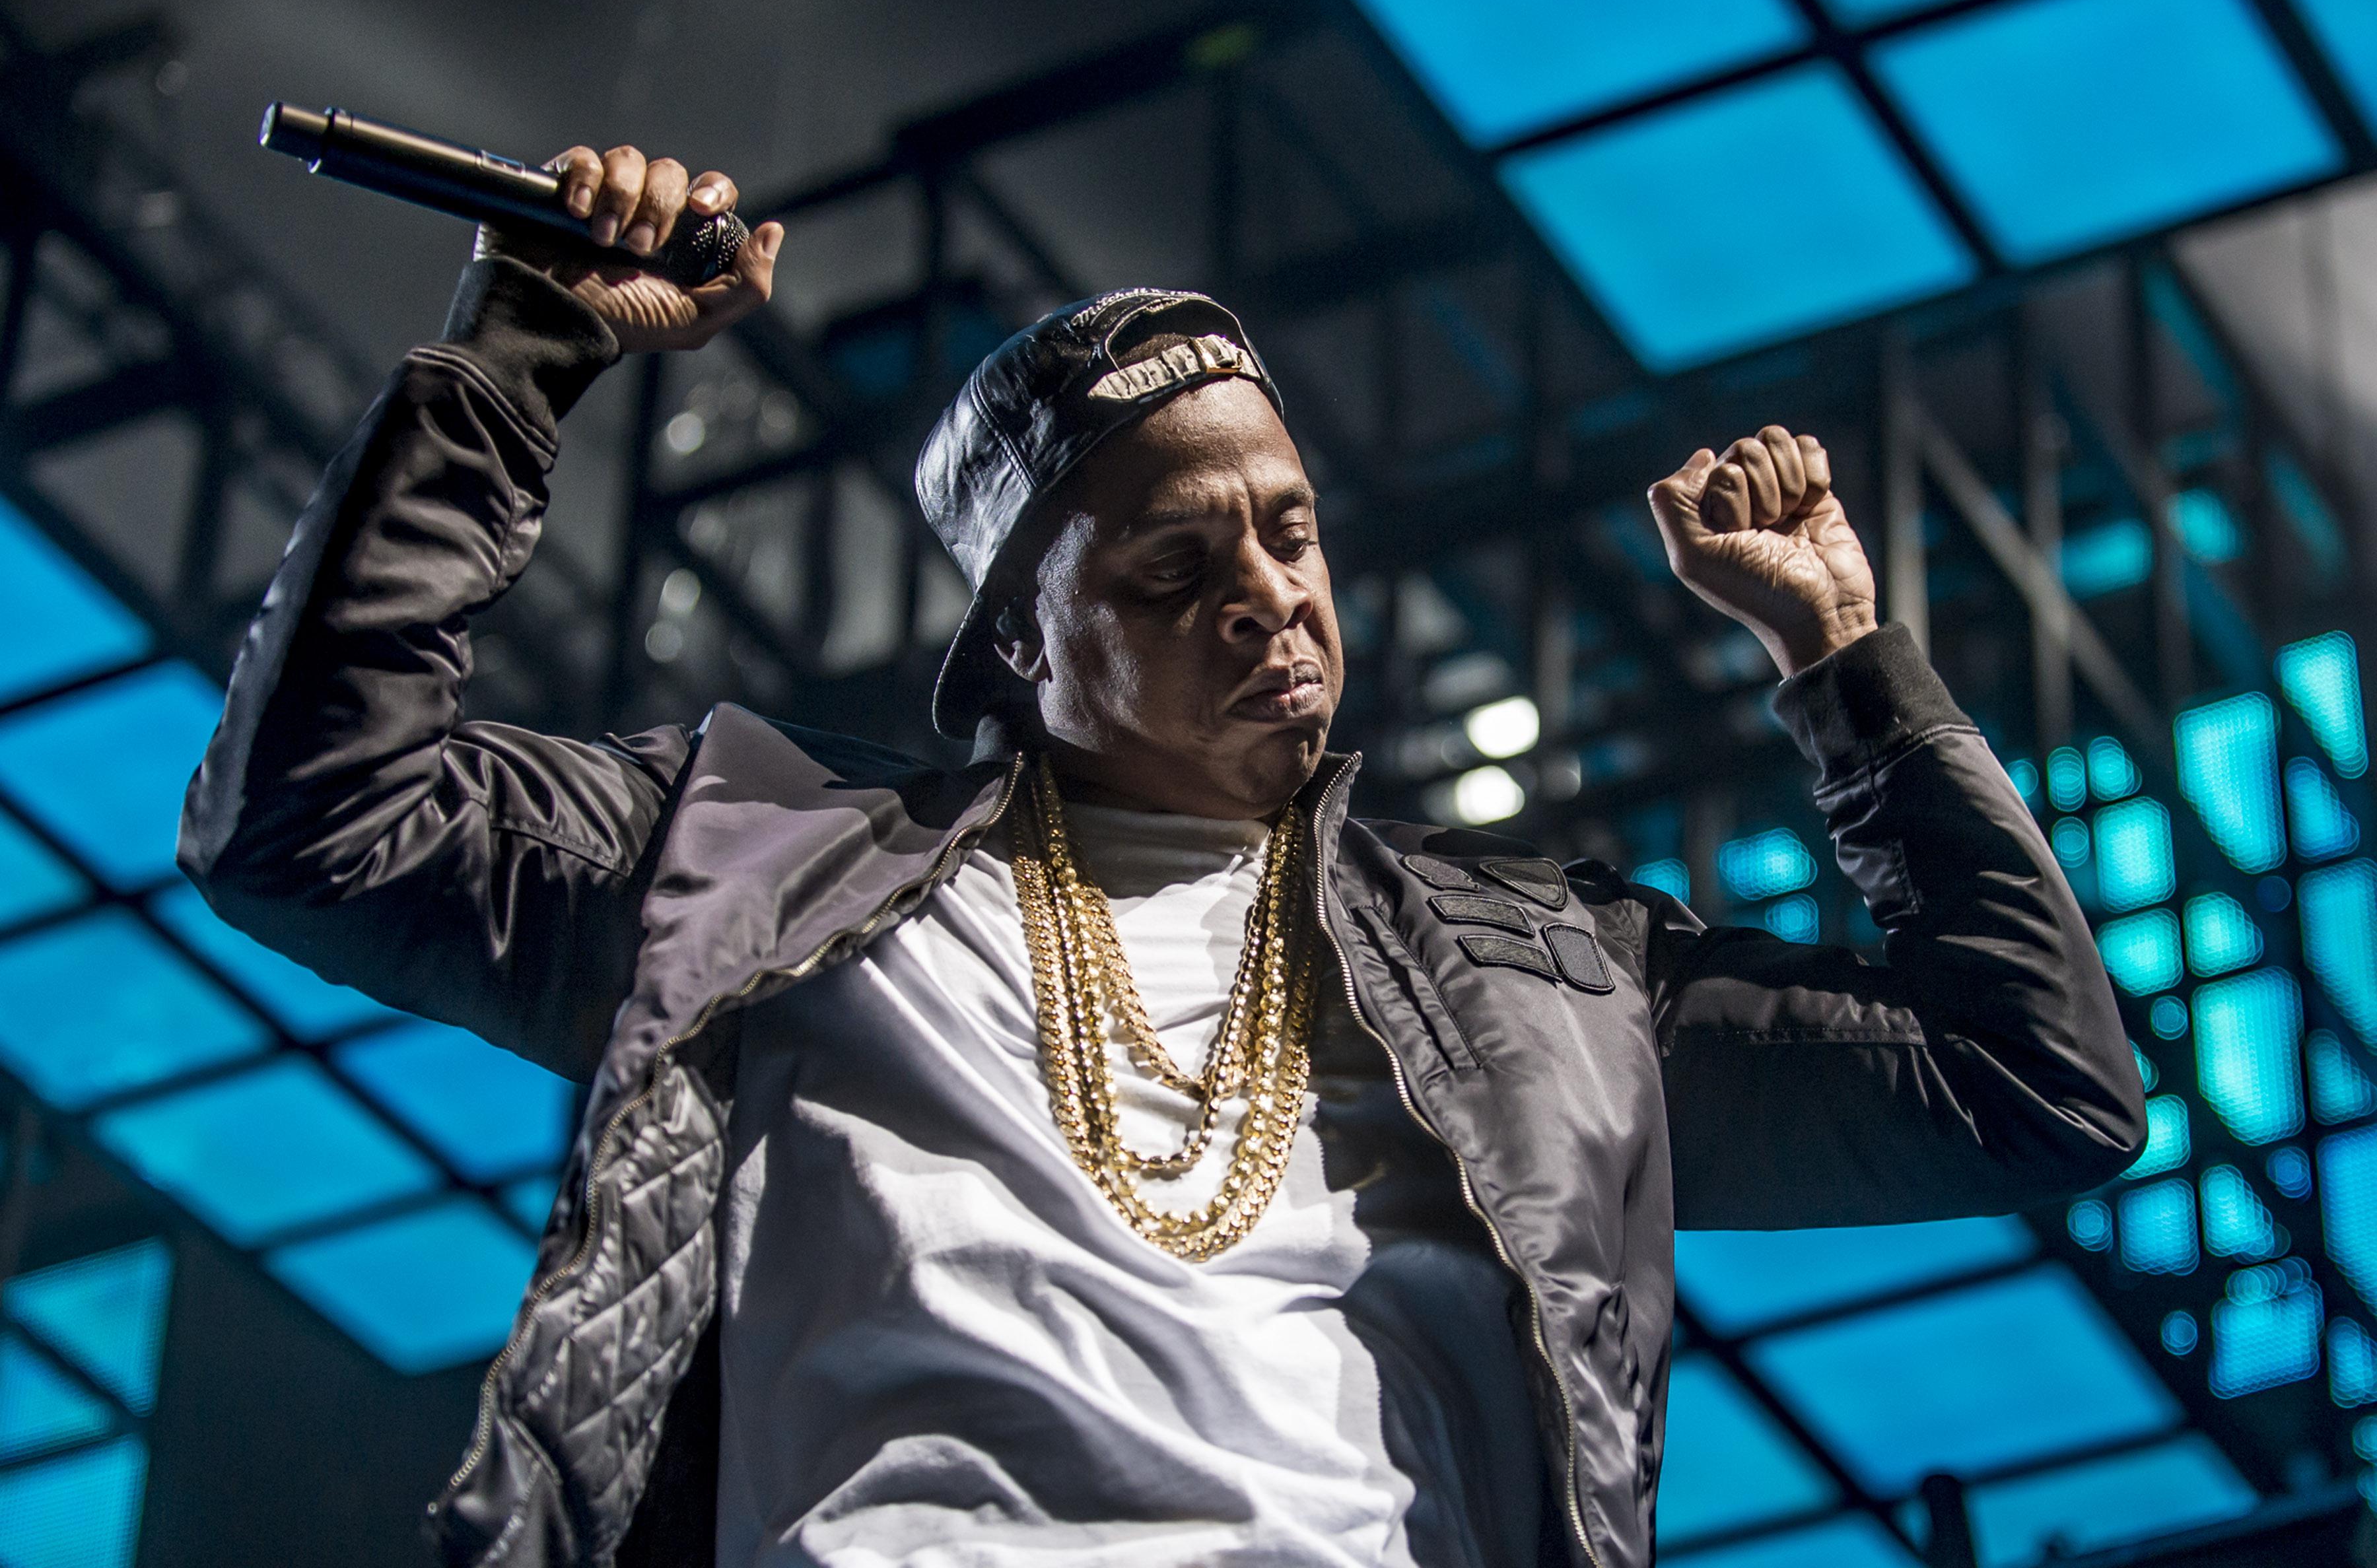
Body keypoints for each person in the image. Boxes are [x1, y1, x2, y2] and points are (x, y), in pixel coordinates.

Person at [180, 144, 2145, 1568]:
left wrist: (1844, 666)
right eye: (1175, 568)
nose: (1270, 600)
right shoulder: (761, 859)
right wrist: (515, 359)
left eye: (1289, 532)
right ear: (1025, 641)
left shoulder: (1535, 981)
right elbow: (311, 818)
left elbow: (2034, 1087)